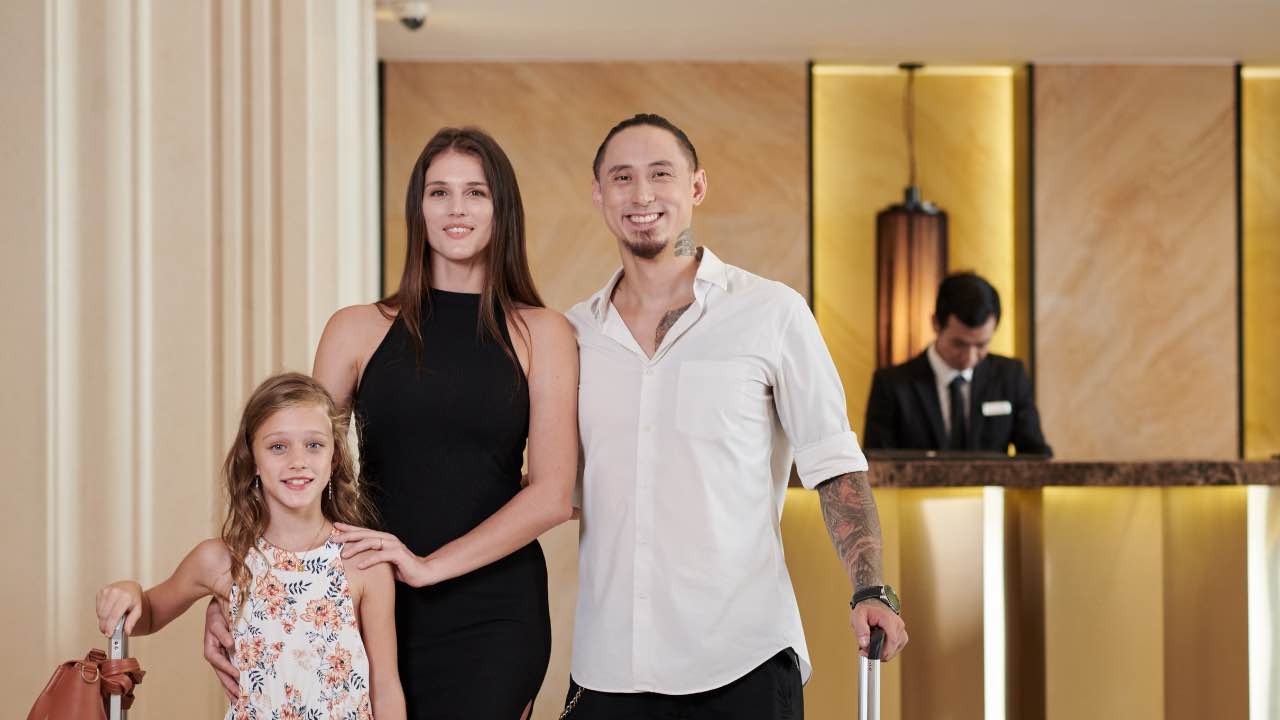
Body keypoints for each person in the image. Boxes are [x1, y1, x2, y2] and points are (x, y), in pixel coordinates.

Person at [202, 127, 578, 720]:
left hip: (494, 609)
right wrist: (244, 591)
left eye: (475, 193)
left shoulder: (544, 333)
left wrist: (428, 567)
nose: (457, 209)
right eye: (439, 192)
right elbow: (292, 466)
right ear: (417, 209)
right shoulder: (356, 329)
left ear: (501, 209)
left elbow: (553, 494)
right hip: (363, 596)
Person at [559, 114, 907, 719]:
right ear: (599, 195)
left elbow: (833, 464)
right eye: (622, 177)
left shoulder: (771, 312)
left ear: (696, 187)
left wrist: (870, 586)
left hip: (740, 661)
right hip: (608, 667)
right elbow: (547, 483)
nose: (642, 195)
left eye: (660, 174)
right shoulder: (572, 334)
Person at [96, 372, 405, 719]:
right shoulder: (219, 560)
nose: (297, 461)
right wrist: (131, 591)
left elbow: (385, 686)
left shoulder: (364, 562)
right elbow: (148, 615)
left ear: (334, 458)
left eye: (314, 445)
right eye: (278, 446)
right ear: (253, 460)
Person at [863, 272, 1052, 456]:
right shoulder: (891, 385)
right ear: (936, 323)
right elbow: (878, 467)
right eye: (958, 344)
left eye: (981, 345)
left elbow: (1036, 456)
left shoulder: (1011, 376)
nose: (969, 358)